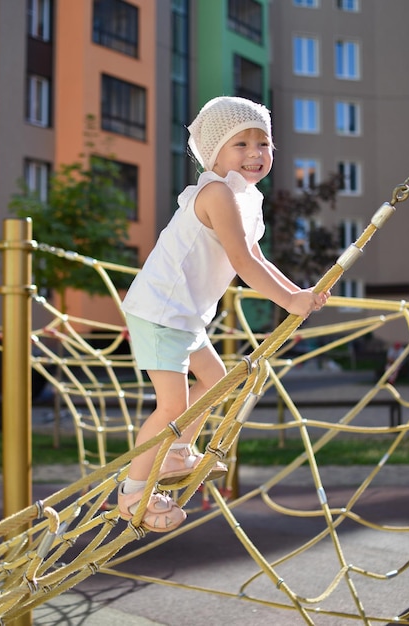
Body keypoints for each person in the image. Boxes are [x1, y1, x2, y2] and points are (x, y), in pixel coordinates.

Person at [118, 96, 329, 532]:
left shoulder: (245, 198)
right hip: (161, 310)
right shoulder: (216, 192)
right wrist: (289, 302)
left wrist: (298, 292)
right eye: (241, 144)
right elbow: (242, 261)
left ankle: (175, 452)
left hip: (184, 314)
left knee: (216, 384)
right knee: (172, 404)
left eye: (264, 143)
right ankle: (133, 491)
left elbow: (255, 255)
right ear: (213, 153)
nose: (255, 154)